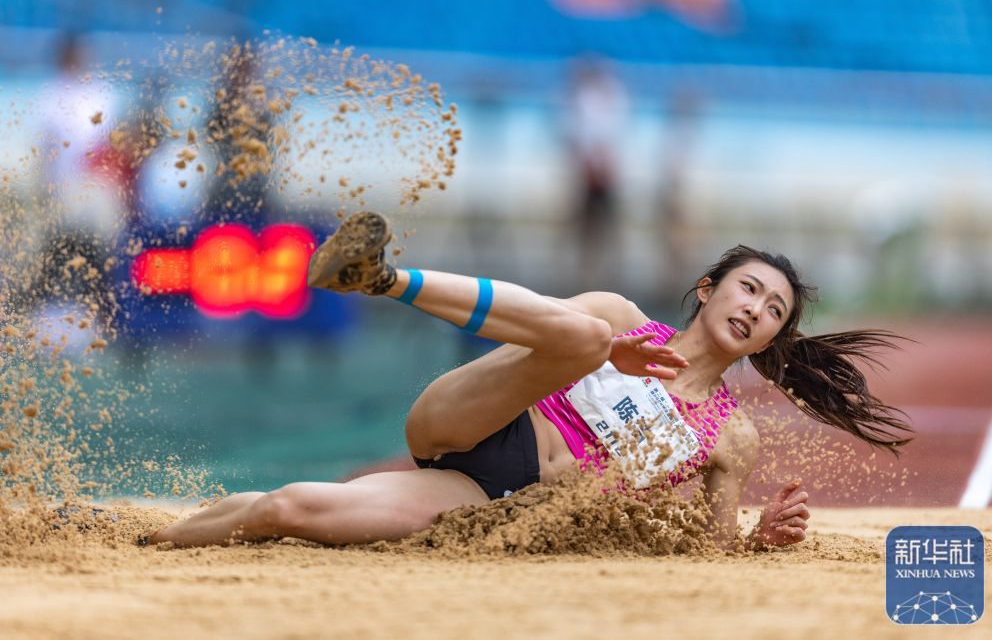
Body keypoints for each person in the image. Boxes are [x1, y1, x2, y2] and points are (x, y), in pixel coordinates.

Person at [148, 211, 912, 550]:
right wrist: (611, 353)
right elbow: (530, 329)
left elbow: (711, 549)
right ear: (708, 286)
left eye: (775, 308)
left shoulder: (730, 436)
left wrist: (759, 543)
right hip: (484, 416)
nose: (757, 308)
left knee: (291, 507)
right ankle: (381, 277)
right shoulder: (622, 314)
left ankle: (159, 539)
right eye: (748, 288)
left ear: (776, 335)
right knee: (584, 331)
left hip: (497, 497)